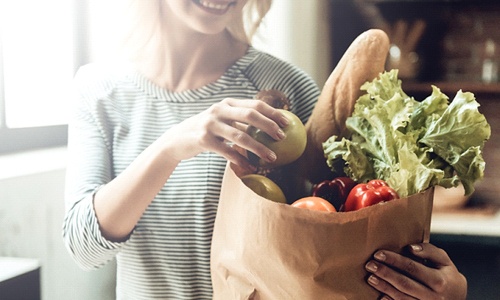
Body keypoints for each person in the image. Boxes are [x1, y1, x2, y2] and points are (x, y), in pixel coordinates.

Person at [63, 0, 467, 299]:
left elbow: (347, 234)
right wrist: (173, 145)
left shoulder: (286, 86)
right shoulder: (98, 90)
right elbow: (83, 247)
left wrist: (433, 283)